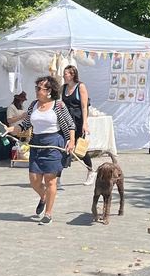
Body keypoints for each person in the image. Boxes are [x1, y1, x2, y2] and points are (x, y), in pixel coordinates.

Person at [6, 75, 75, 226]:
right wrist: (10, 129)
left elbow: (70, 125)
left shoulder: (59, 105)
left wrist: (71, 141)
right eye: (36, 88)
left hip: (54, 144)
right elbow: (24, 125)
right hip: (37, 143)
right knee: (34, 181)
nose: (37, 91)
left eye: (39, 89)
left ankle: (48, 213)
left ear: (49, 90)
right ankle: (43, 197)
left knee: (51, 181)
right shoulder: (33, 105)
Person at [62, 65, 95, 186]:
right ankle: (57, 176)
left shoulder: (80, 86)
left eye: (66, 73)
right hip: (66, 121)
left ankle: (91, 171)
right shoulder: (64, 88)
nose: (64, 76)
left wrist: (85, 123)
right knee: (63, 145)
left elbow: (84, 106)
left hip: (78, 120)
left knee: (80, 149)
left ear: (72, 75)